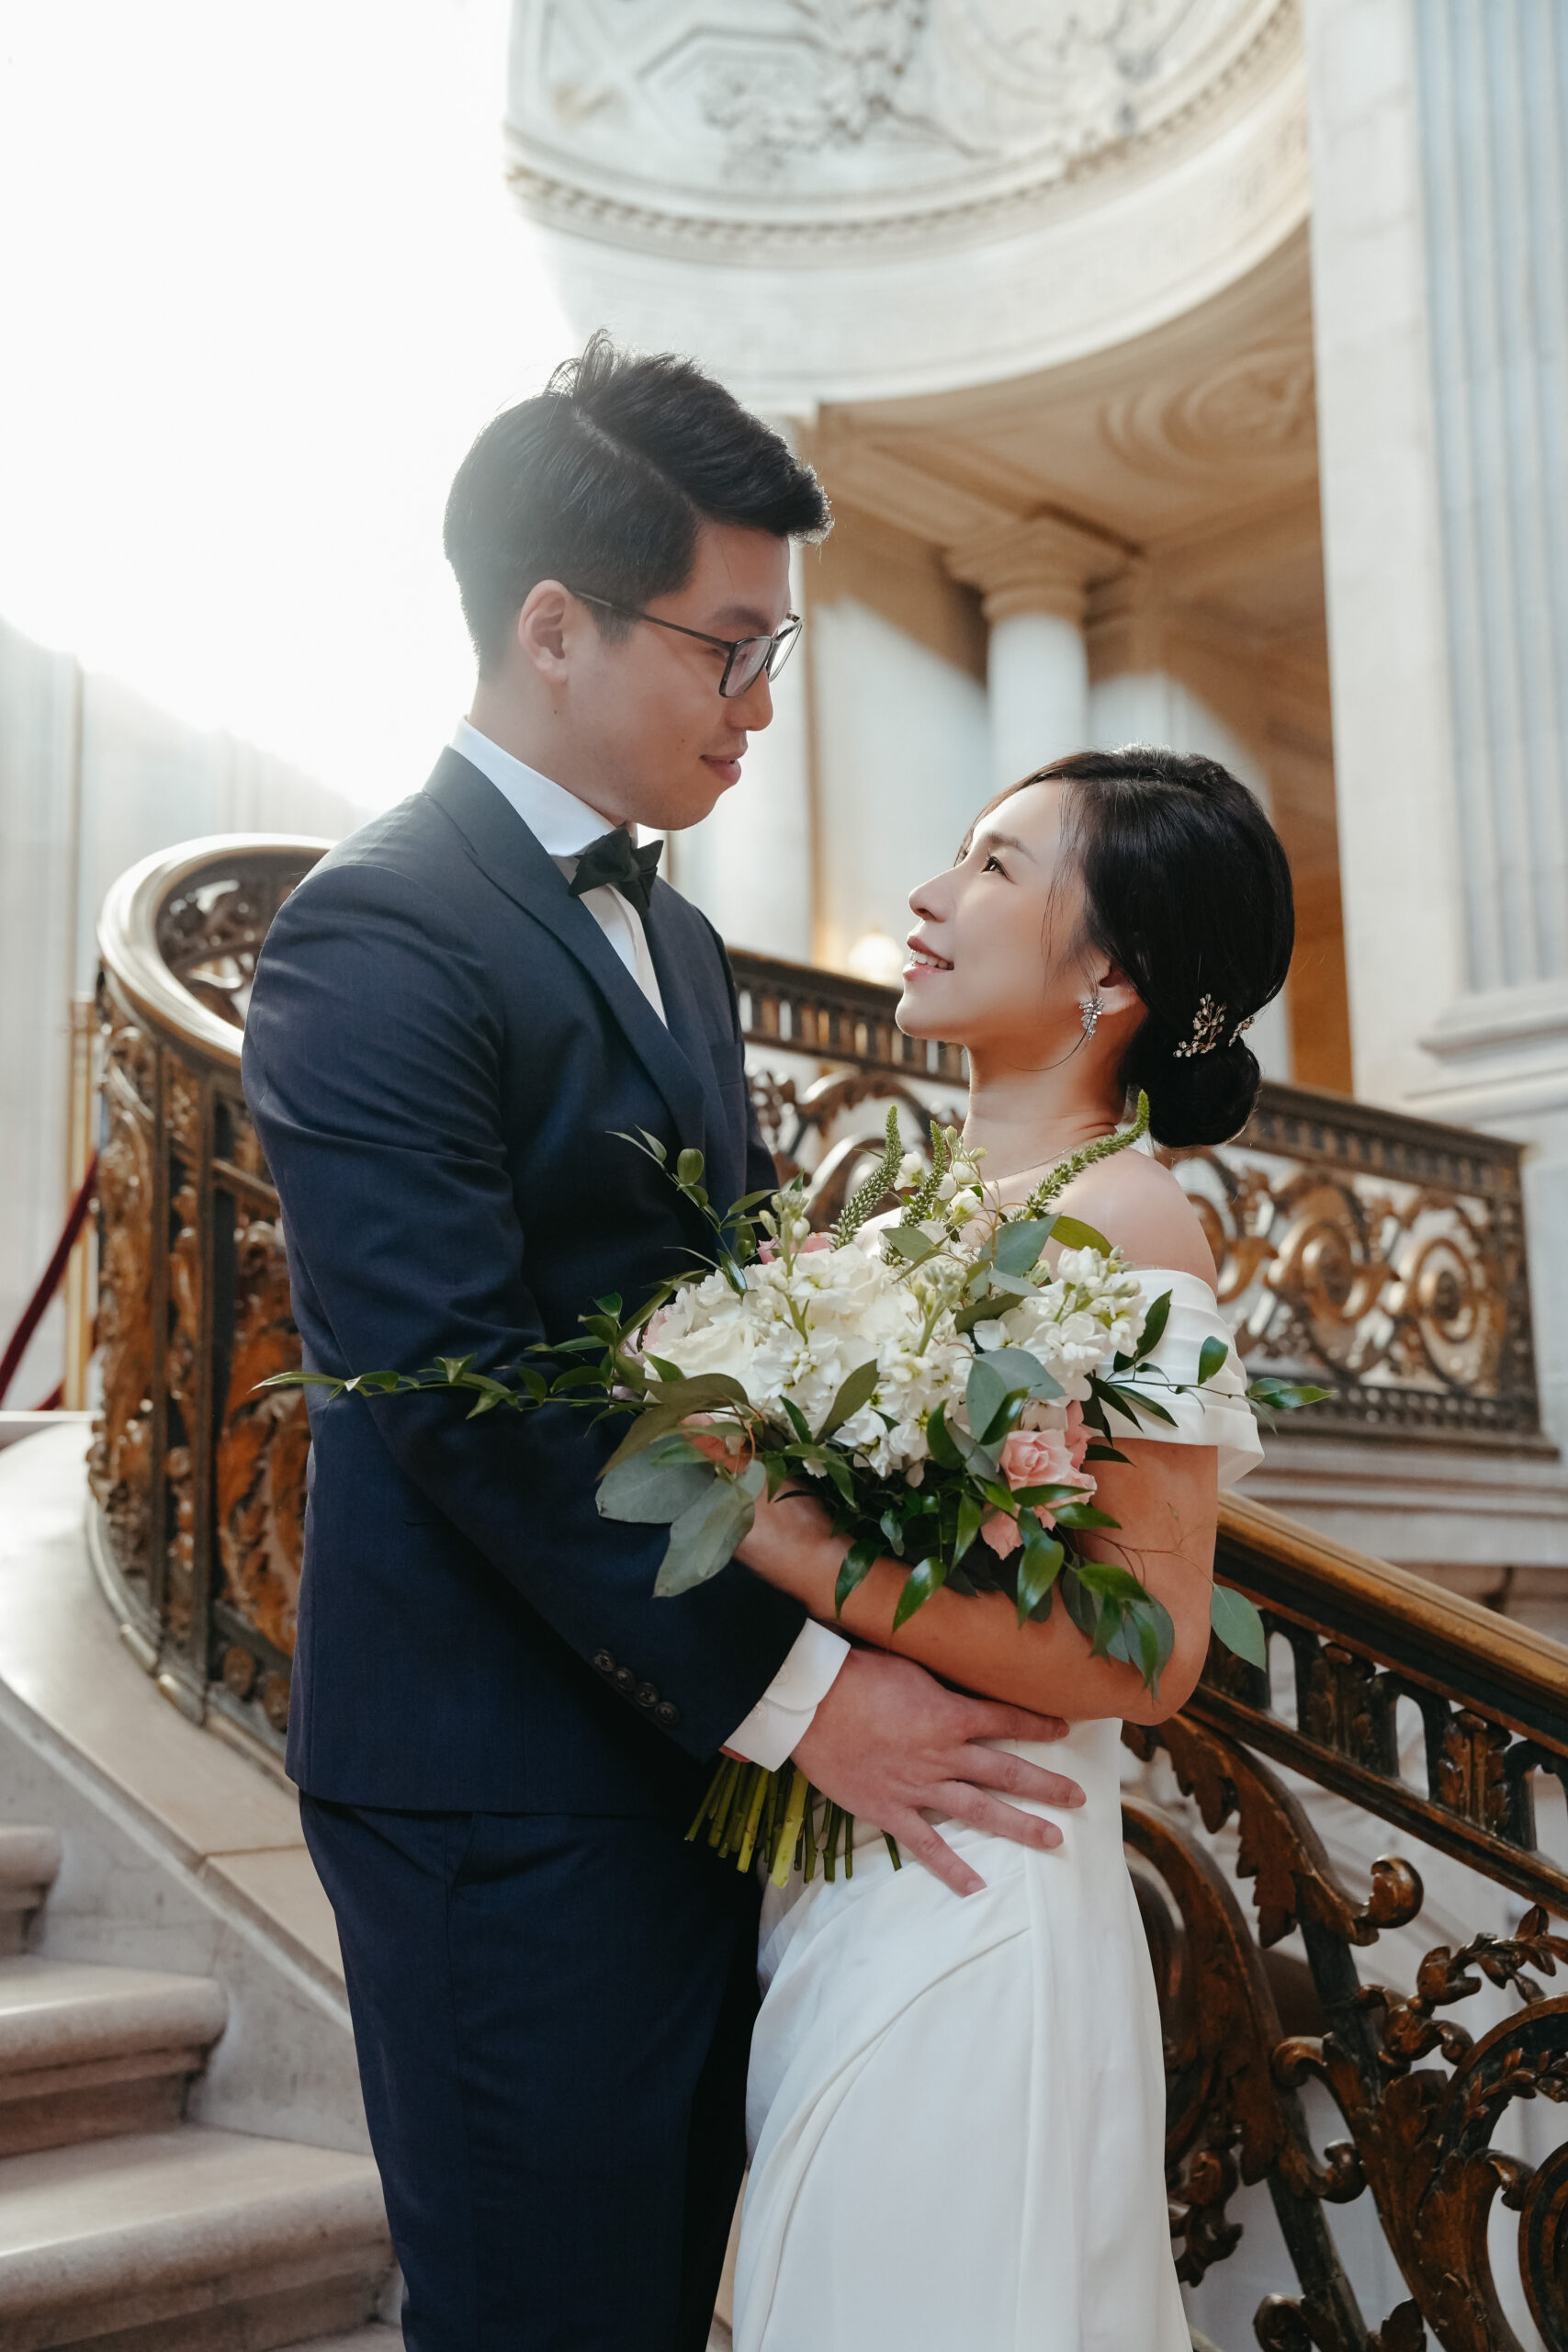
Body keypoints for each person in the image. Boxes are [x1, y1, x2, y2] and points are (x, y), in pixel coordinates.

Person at [240, 334, 1084, 2352]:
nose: (763, 703)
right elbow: (462, 1398)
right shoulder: (374, 928)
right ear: (554, 625)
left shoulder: (681, 934)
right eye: (726, 647)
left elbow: (712, 1329)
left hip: (678, 1765)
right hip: (501, 1780)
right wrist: (807, 1697)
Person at [728, 747, 1295, 2351]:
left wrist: (790, 1545)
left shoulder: (1129, 1218)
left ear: (1108, 972)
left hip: (985, 1887)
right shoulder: (900, 1209)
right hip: (839, 1860)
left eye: (989, 865)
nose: (925, 895)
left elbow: (1154, 1650)